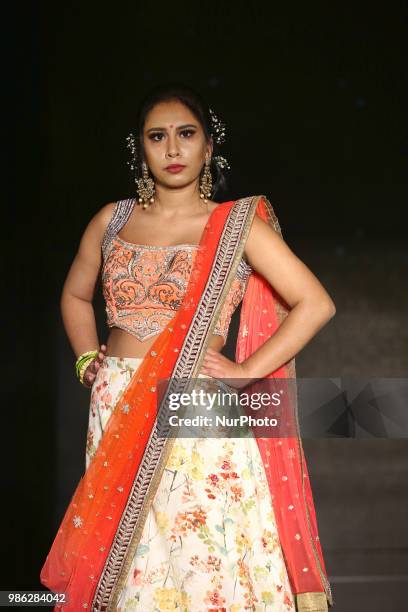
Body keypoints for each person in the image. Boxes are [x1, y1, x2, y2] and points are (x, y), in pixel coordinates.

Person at [40, 84, 336, 611]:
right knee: (132, 554)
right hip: (116, 403)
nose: (173, 149)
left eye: (186, 134)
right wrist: (87, 356)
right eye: (158, 137)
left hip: (197, 405)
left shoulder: (234, 225)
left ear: (208, 146)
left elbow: (314, 303)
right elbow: (74, 293)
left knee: (204, 550)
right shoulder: (112, 220)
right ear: (139, 147)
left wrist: (247, 372)